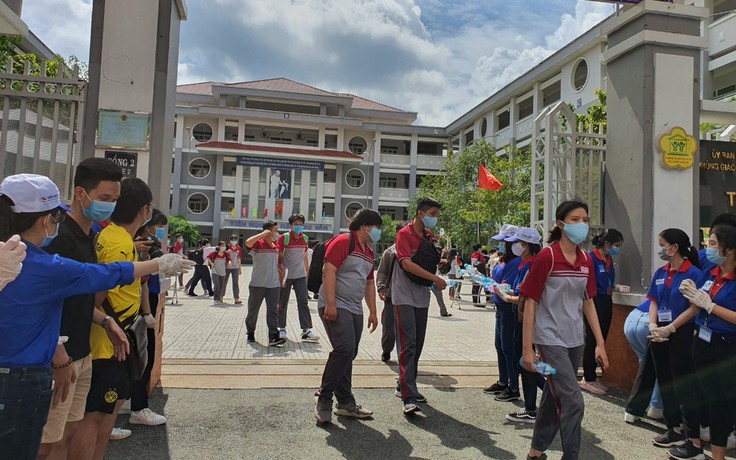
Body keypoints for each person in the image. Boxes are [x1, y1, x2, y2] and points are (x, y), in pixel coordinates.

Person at [0, 174, 192, 460]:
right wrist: (158, 263)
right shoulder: (38, 264)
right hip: (22, 378)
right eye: (57, 217)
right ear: (45, 220)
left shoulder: (12, 258)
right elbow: (102, 275)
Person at [71, 177, 193, 460]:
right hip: (107, 345)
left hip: (111, 342)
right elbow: (95, 299)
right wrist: (107, 322)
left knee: (103, 418)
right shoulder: (118, 244)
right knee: (96, 420)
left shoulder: (116, 237)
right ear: (145, 211)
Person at [520, 200, 609, 460]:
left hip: (575, 341)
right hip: (550, 340)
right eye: (575, 219)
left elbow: (588, 301)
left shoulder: (586, 260)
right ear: (561, 224)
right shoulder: (547, 256)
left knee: (552, 396)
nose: (582, 225)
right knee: (573, 401)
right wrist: (529, 350)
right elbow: (530, 302)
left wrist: (600, 343)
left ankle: (535, 452)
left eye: (585, 219)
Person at [662, 225, 736, 460]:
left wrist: (712, 306)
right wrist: (672, 326)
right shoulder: (710, 273)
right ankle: (709, 453)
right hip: (702, 342)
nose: (708, 249)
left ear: (730, 249)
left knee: (724, 403)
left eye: (713, 244)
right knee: (708, 400)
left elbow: (710, 306)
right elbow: (697, 305)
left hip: (726, 346)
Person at [639, 229, 703, 456]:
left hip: (682, 336)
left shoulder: (694, 274)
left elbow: (695, 308)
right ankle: (672, 428)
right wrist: (654, 326)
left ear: (674, 247)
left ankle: (692, 437)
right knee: (665, 381)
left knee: (683, 386)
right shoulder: (660, 271)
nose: (660, 249)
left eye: (662, 244)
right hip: (659, 336)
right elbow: (654, 300)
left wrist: (671, 328)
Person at [314, 209, 381, 423]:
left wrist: (373, 311)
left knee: (349, 353)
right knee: (344, 348)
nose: (379, 232)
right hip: (335, 304)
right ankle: (324, 397)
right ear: (365, 226)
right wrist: (331, 304)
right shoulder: (344, 241)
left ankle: (345, 402)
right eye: (377, 227)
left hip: (355, 308)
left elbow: (369, 282)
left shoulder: (369, 251)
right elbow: (329, 270)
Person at [392, 197, 447, 415]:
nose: (434, 218)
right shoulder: (403, 234)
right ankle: (408, 395)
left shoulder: (428, 236)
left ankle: (406, 384)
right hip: (403, 295)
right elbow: (406, 263)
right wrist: (434, 279)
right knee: (408, 343)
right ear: (420, 214)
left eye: (436, 215)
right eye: (432, 214)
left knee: (418, 343)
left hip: (421, 296)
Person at [496, 227, 546, 423]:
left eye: (518, 242)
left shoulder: (531, 265)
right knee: (526, 363)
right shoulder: (525, 264)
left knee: (527, 363)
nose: (513, 245)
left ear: (526, 245)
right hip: (522, 317)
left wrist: (508, 297)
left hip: (525, 320)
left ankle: (541, 402)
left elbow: (527, 297)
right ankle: (536, 405)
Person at [127, 210, 170, 427]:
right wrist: (146, 312)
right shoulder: (127, 243)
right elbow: (140, 278)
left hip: (148, 299)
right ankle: (137, 408)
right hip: (136, 304)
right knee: (139, 357)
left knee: (146, 356)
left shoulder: (148, 243)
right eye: (156, 226)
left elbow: (145, 279)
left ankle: (138, 406)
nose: (157, 232)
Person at [580, 229, 629, 395]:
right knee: (593, 338)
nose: (617, 249)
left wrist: (616, 287)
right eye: (616, 245)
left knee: (602, 339)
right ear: (607, 244)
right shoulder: (590, 258)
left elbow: (607, 280)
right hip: (594, 300)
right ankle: (588, 377)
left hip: (606, 300)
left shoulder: (608, 260)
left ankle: (593, 376)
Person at [485, 224, 521, 400]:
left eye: (503, 242)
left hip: (509, 308)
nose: (500, 245)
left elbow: (507, 287)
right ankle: (503, 381)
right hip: (500, 306)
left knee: (508, 347)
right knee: (500, 345)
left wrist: (495, 287)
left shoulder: (515, 262)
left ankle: (513, 386)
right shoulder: (503, 260)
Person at [277, 214, 319, 342]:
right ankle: (281, 328)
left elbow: (305, 255)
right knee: (282, 303)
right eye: (296, 224)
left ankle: (306, 329)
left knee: (303, 302)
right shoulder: (284, 238)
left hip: (300, 275)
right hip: (287, 276)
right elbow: (278, 256)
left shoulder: (305, 238)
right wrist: (281, 274)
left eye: (301, 224)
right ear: (290, 225)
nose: (298, 226)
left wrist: (307, 271)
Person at [623, 299, 664, 423]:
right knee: (658, 366)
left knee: (645, 364)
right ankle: (655, 407)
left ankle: (633, 410)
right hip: (652, 323)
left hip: (632, 318)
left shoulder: (663, 281)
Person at [244, 222, 285, 347]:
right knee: (253, 310)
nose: (277, 233)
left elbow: (279, 265)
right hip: (258, 284)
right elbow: (247, 242)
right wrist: (263, 234)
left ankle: (273, 336)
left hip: (274, 285)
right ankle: (250, 332)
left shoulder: (276, 245)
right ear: (268, 232)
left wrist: (282, 279)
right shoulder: (258, 244)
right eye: (275, 230)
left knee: (273, 311)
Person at [376, 223, 406, 363]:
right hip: (391, 296)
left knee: (408, 330)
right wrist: (381, 288)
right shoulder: (390, 252)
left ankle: (405, 356)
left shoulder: (416, 251)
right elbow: (382, 272)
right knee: (389, 328)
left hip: (410, 297)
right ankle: (386, 350)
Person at [226, 234, 243, 304]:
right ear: (230, 240)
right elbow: (222, 254)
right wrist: (226, 252)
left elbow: (239, 258)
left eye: (235, 240)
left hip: (235, 267)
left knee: (235, 283)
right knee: (224, 282)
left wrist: (240, 268)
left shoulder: (238, 248)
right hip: (227, 267)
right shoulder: (226, 247)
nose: (233, 241)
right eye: (232, 240)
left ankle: (236, 298)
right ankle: (220, 297)